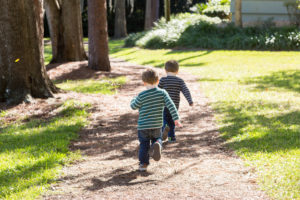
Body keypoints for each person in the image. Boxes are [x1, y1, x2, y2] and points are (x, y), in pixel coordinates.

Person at [131, 68, 181, 172]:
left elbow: (133, 106)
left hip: (143, 126)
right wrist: (176, 118)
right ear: (158, 81)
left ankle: (143, 165)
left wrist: (133, 99)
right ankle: (157, 144)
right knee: (157, 138)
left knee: (144, 145)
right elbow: (171, 105)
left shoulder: (141, 95)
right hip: (157, 124)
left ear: (144, 83)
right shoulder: (162, 93)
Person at [158, 60, 193, 143]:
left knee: (164, 119)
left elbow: (157, 90)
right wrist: (190, 100)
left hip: (164, 105)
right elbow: (186, 90)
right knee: (173, 121)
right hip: (175, 106)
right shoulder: (180, 81)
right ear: (177, 71)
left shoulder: (163, 80)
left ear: (165, 70)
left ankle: (165, 128)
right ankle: (171, 138)